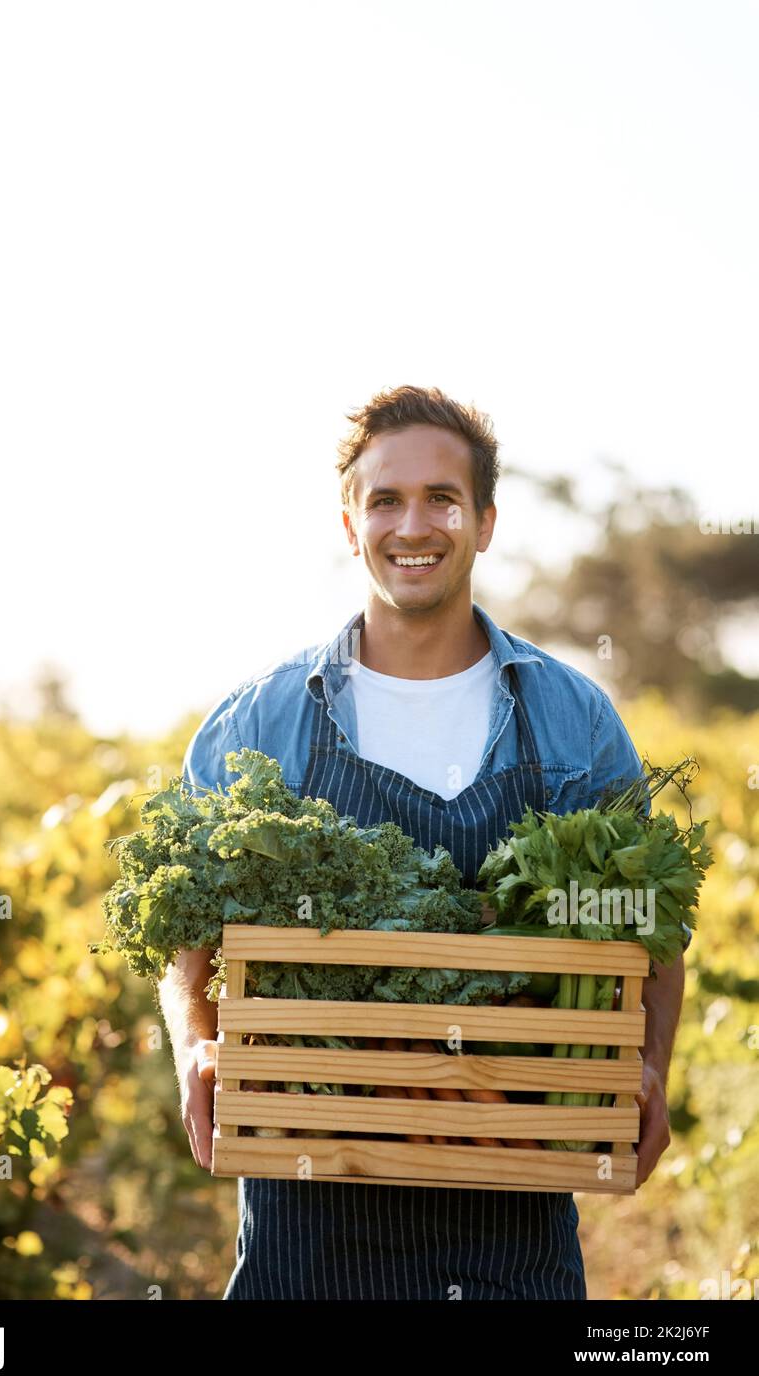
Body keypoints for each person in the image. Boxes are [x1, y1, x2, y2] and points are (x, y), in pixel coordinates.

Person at [158, 384, 690, 1300]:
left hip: (511, 1222)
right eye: (386, 500)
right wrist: (198, 1045)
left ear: (484, 521)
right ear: (349, 520)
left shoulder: (571, 721)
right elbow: (184, 931)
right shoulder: (263, 721)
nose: (415, 524)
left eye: (442, 498)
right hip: (304, 1225)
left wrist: (645, 1068)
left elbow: (653, 931)